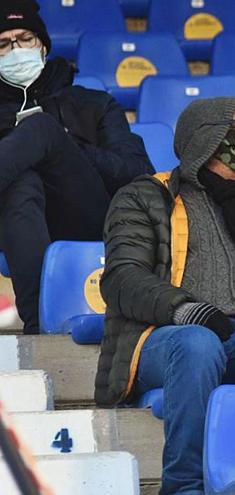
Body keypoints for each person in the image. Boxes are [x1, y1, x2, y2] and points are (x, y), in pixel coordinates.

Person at [94, 97, 235, 494]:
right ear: (204, 137)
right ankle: (184, 485)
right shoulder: (146, 195)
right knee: (199, 343)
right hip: (164, 336)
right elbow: (122, 279)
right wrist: (186, 310)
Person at [0, 0, 153, 333]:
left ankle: (39, 324)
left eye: (25, 38)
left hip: (90, 216)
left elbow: (138, 172)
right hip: (16, 225)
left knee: (41, 128)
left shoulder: (91, 103)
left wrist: (67, 145)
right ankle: (40, 325)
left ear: (42, 44)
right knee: (21, 182)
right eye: (4, 44)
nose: (16, 49)